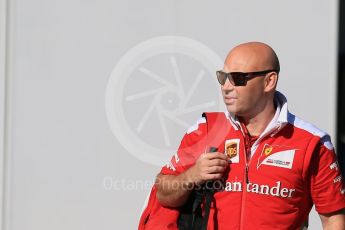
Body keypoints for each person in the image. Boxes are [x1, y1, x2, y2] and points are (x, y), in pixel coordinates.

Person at [139, 42, 345, 229]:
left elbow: (333, 218)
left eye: (237, 78)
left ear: (269, 81)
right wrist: (192, 175)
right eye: (223, 77)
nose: (226, 87)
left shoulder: (312, 143)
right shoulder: (205, 129)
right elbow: (164, 194)